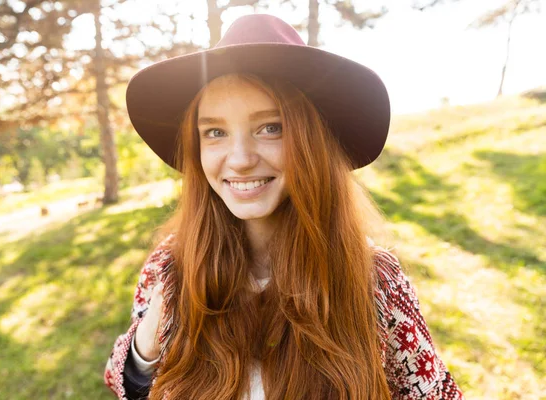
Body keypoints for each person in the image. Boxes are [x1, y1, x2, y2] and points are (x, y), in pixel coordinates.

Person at [103, 14, 465, 400]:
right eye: (215, 132)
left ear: (312, 140)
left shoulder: (373, 280)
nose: (239, 158)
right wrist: (156, 323)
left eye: (270, 127)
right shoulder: (171, 266)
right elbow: (125, 383)